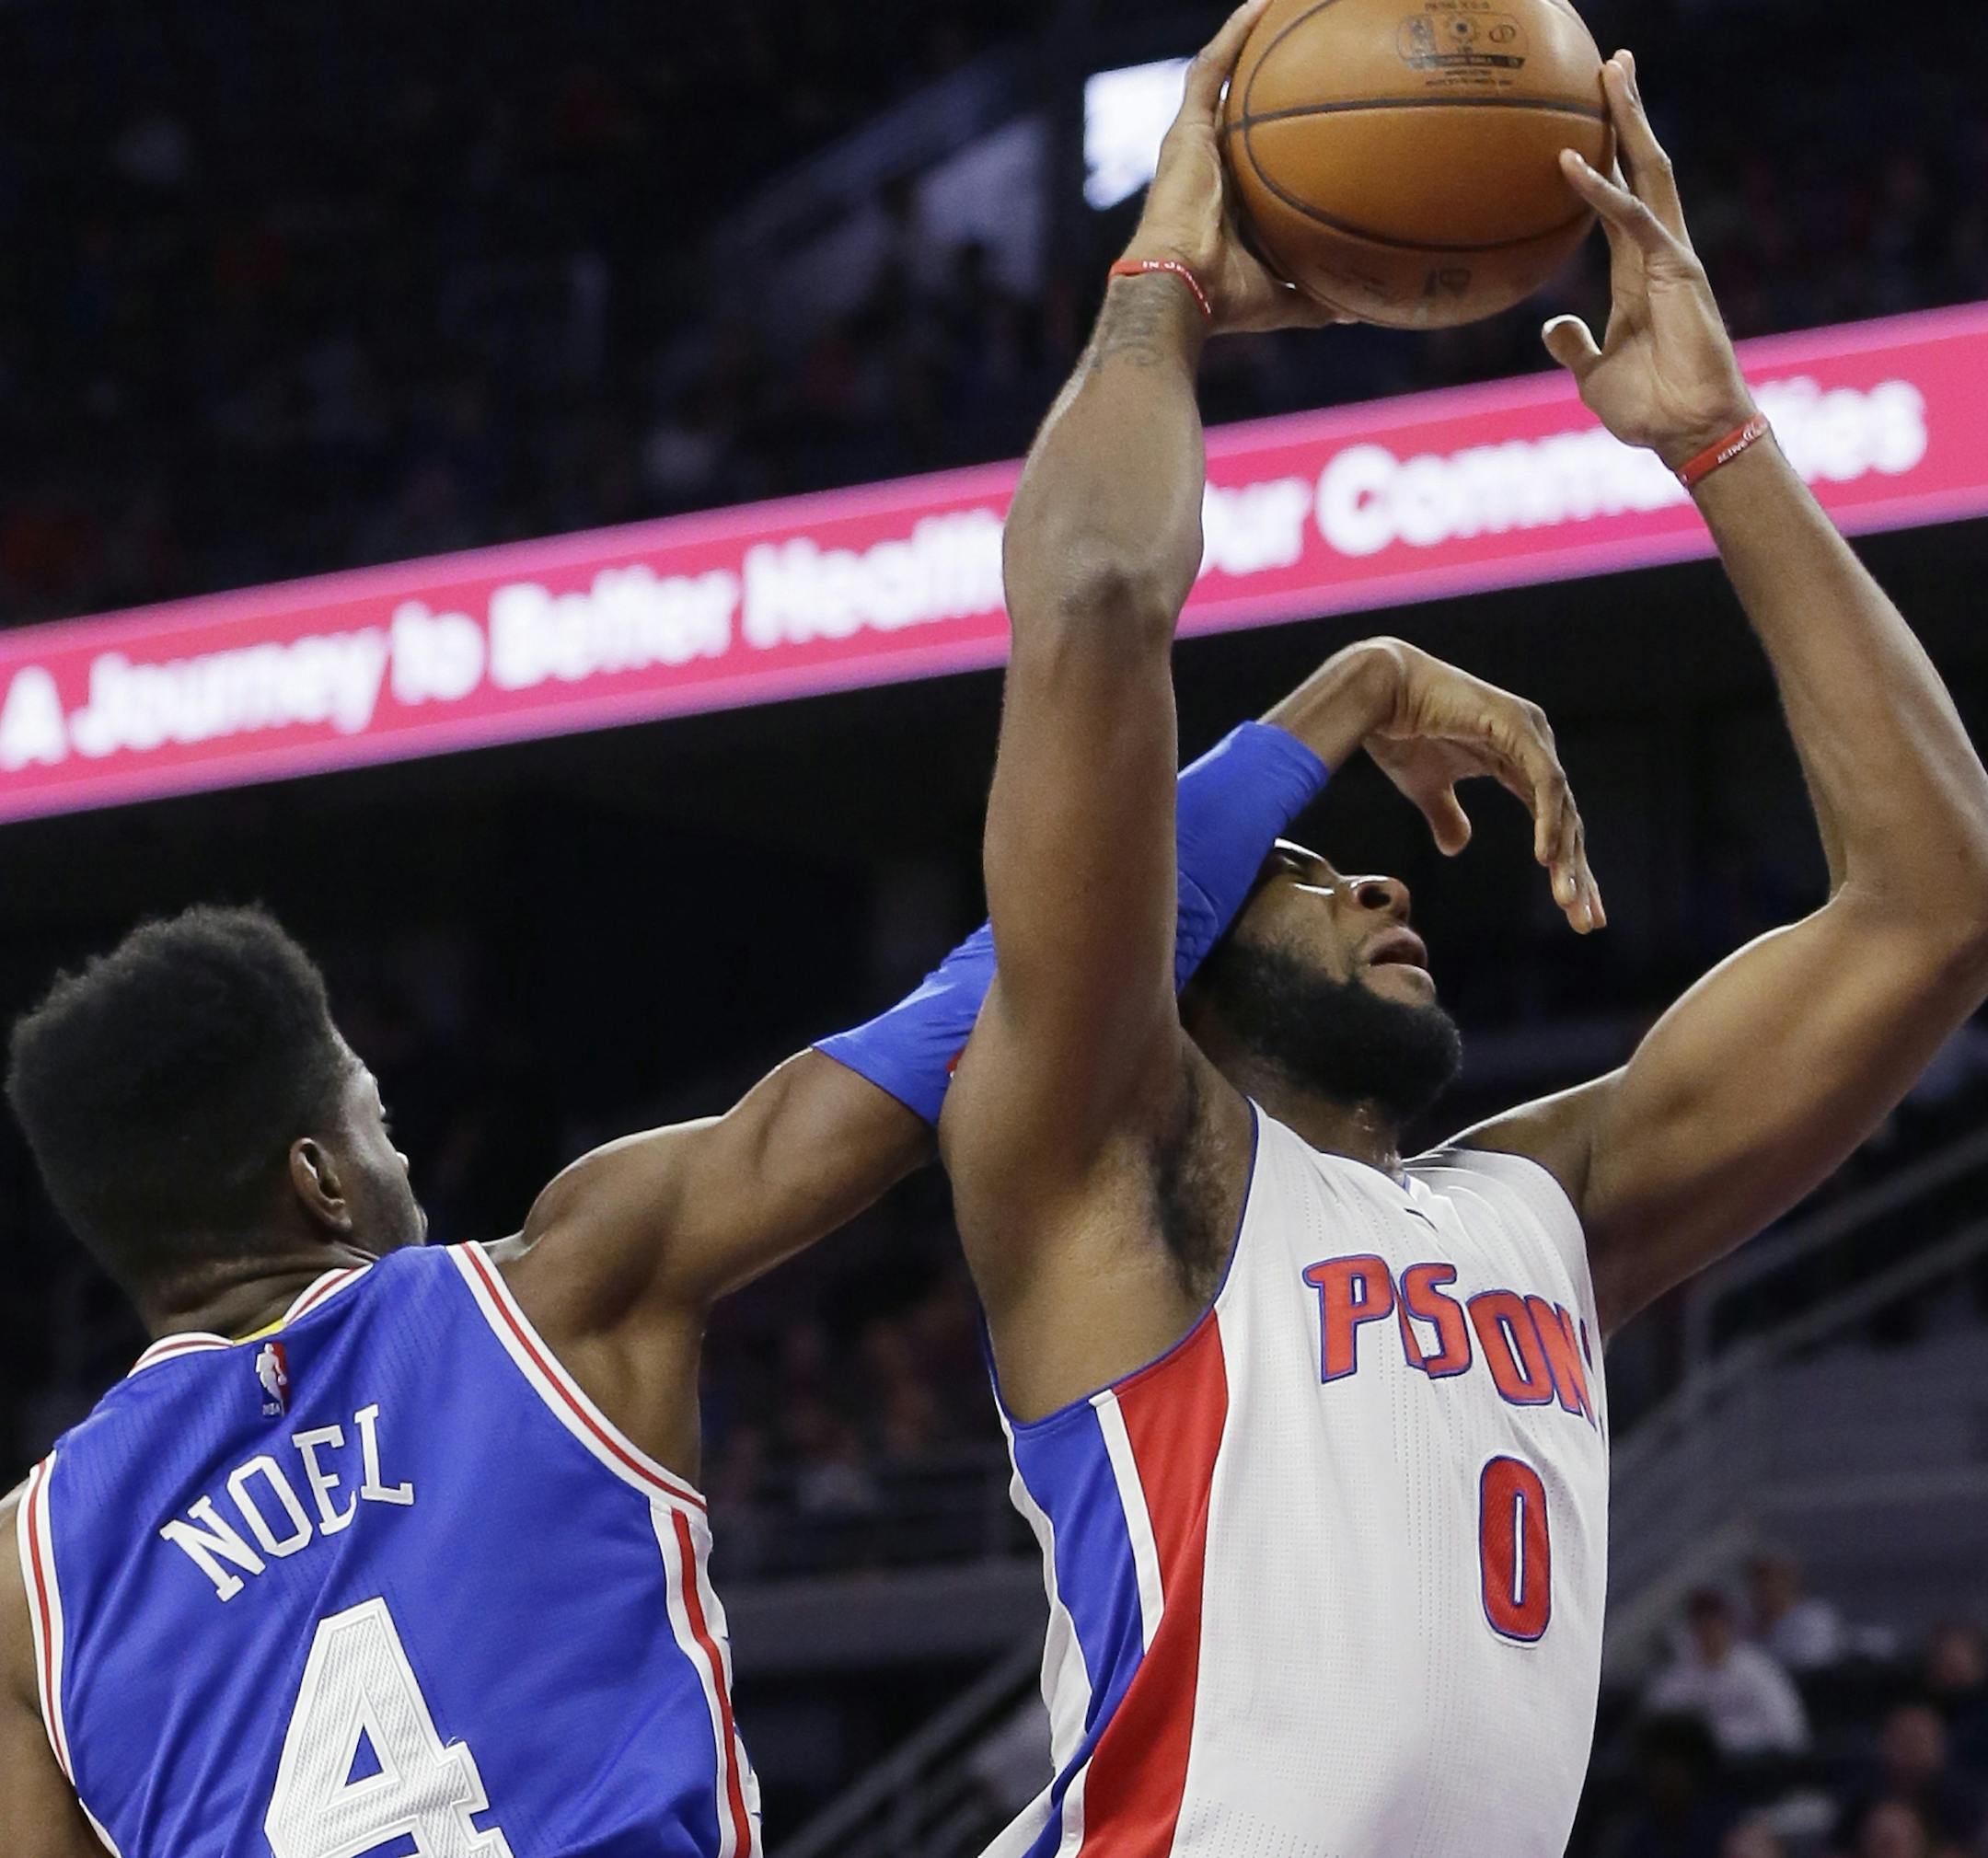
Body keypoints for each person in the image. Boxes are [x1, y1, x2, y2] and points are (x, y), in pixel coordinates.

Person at [937, 7, 1988, 1855]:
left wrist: (1724, 439)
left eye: (1356, 866)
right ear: (1166, 955)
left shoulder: (1542, 1205)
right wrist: (1166, 277)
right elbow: (1100, 588)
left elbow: (1938, 904)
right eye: (1307, 873)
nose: (1380, 881)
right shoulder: (1113, 1164)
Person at [0, 670, 1389, 1852]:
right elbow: (1009, 995)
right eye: (376, 1124)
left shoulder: (25, 1585)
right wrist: (1341, 704)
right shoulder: (553, 1291)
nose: (406, 1163)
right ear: (317, 1179)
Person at [1646, 1588, 1809, 1758]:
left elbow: (1787, 1730)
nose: (1709, 1633)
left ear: (1727, 1626)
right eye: (1701, 1626)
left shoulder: (1756, 1668)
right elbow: (1657, 1725)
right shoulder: (1678, 1677)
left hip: (1757, 1763)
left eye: (1714, 1624)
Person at [1749, 1549, 1845, 1671]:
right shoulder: (1755, 1620)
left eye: (1767, 1582)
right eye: (1755, 1583)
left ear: (1788, 1582)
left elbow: (1811, 1667)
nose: (1759, 1590)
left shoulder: (1813, 1619)